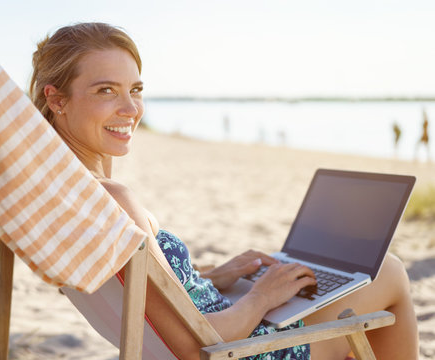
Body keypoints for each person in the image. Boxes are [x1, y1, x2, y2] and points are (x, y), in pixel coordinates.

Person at [29, 22, 419, 360]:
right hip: (238, 349)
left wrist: (214, 278)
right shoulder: (113, 200)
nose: (130, 108)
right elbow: (192, 346)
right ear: (57, 99)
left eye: (136, 88)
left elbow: (146, 306)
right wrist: (262, 296)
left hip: (224, 325)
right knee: (389, 273)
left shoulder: (64, 199)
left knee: (339, 288)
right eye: (106, 91)